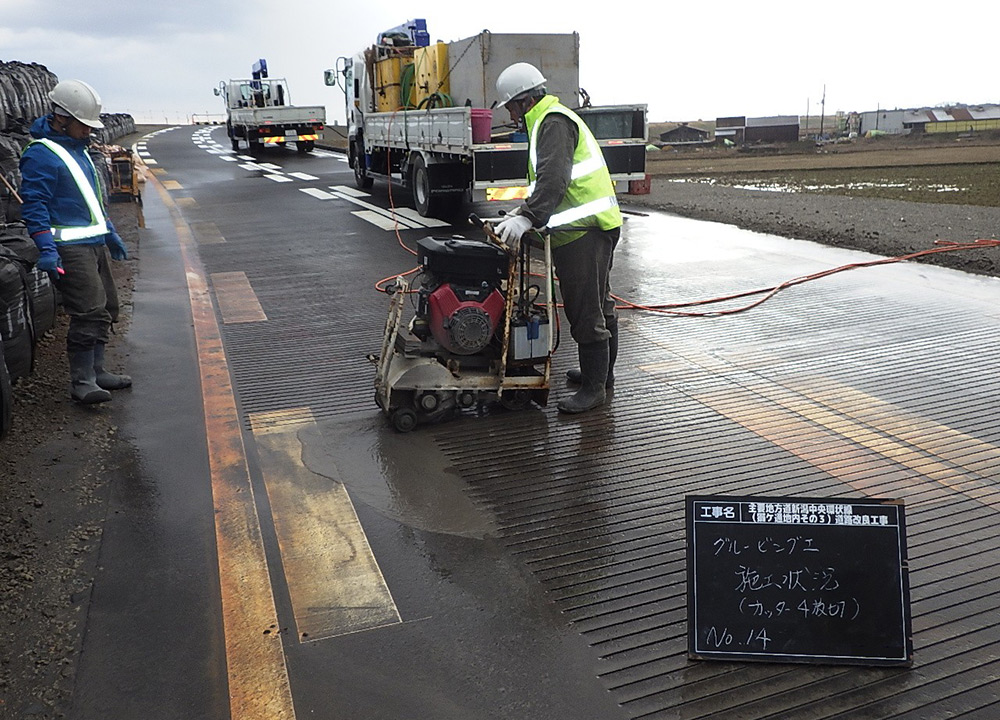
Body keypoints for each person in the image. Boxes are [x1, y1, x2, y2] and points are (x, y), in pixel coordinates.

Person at [494, 63, 622, 414]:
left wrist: (528, 218)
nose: (510, 115)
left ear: (525, 100)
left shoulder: (552, 123)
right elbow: (548, 182)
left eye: (511, 107)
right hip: (592, 227)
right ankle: (602, 377)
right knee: (600, 304)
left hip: (583, 232)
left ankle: (594, 389)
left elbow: (554, 179)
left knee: (585, 311)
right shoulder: (551, 118)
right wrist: (522, 211)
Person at [19, 79, 131, 404]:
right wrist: (47, 248)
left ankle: (98, 370)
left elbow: (90, 199)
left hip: (93, 242)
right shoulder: (42, 154)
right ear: (61, 118)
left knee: (107, 306)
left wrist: (109, 231)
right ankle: (82, 381)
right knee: (88, 310)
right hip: (70, 248)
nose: (89, 130)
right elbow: (35, 205)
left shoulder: (79, 150)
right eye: (84, 124)